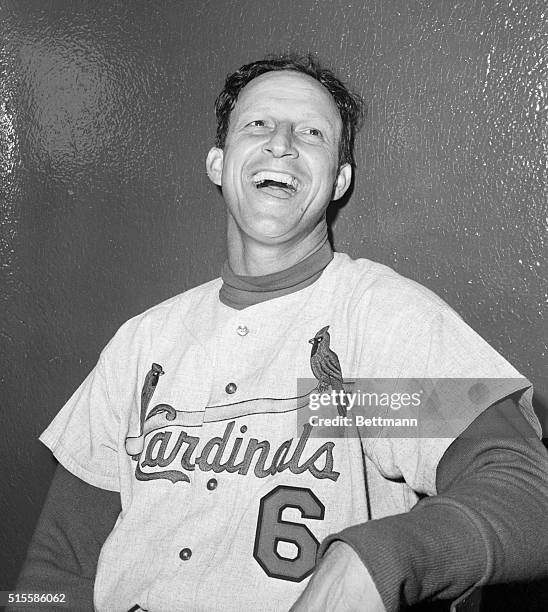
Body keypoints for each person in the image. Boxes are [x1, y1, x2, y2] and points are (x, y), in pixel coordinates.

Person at [12, 54, 548, 612]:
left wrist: (377, 559)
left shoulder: (376, 325)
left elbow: (526, 491)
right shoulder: (144, 343)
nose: (282, 143)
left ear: (339, 179)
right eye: (258, 125)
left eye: (312, 132)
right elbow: (55, 572)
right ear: (218, 163)